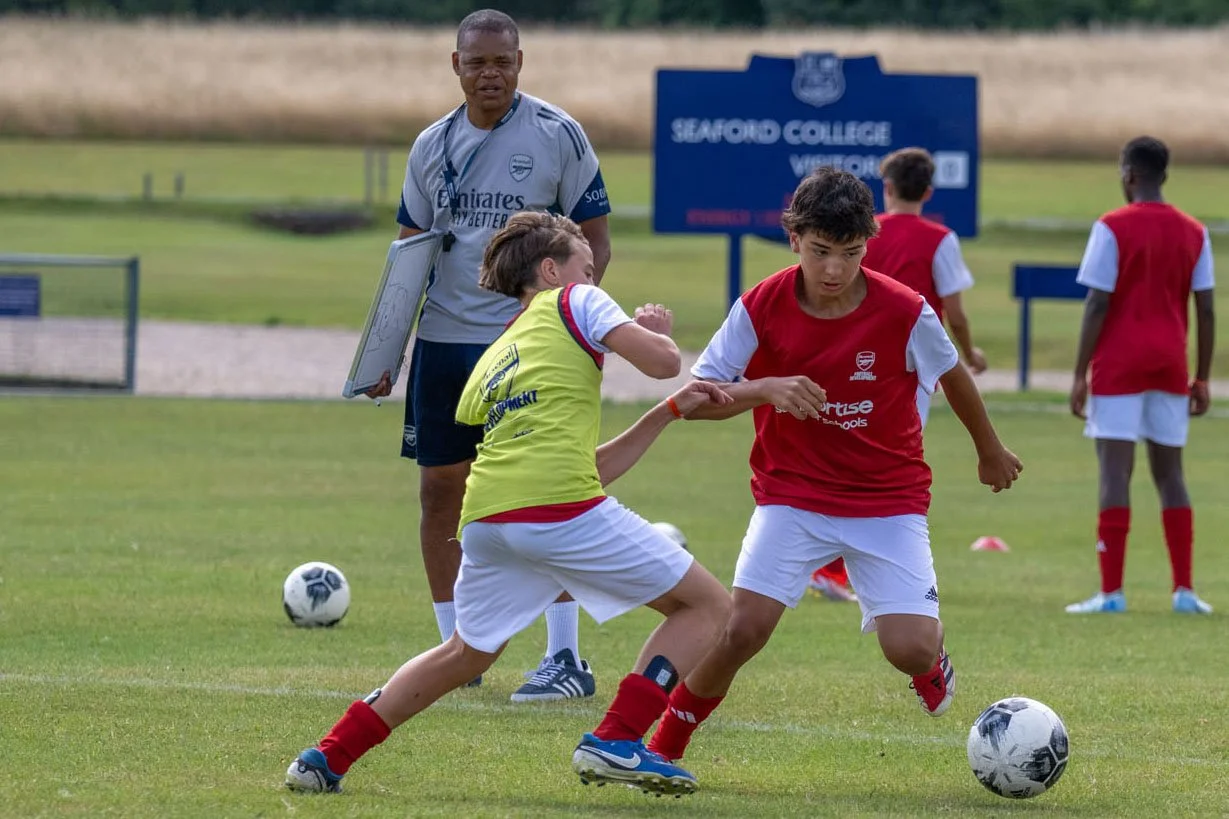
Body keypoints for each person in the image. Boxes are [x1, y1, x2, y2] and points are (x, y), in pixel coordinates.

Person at [287, 212, 732, 796]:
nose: (592, 281)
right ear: (552, 270)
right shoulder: (579, 300)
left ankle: (325, 758)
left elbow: (590, 467)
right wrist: (653, 328)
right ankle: (617, 739)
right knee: (707, 607)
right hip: (555, 509)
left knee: (464, 654)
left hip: (490, 519)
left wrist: (667, 414)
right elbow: (663, 363)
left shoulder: (502, 350)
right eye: (586, 268)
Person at [641, 167, 1023, 766]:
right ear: (794, 239)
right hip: (791, 496)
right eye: (820, 252)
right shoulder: (759, 307)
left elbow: (952, 374)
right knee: (741, 631)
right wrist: (765, 388)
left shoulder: (905, 310)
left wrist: (989, 450)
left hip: (887, 499)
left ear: (868, 242)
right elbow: (698, 399)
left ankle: (933, 660)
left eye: (850, 253)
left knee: (909, 648)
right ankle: (665, 743)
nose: (834, 270)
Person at [365, 9, 613, 700]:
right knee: (439, 489)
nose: (490, 73)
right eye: (476, 62)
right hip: (445, 340)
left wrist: (570, 320)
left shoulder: (558, 135)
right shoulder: (430, 145)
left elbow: (594, 240)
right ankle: (459, 651)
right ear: (455, 66)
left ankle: (565, 658)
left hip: (527, 342)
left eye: (501, 61)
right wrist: (386, 349)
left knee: (545, 492)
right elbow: (410, 255)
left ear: (520, 62)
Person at [807, 147, 987, 605]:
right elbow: (957, 313)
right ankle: (841, 568)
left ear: (886, 188)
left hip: (847, 358)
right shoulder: (939, 238)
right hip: (906, 368)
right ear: (927, 191)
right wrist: (969, 352)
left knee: (845, 452)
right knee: (887, 463)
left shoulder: (865, 233)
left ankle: (837, 566)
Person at [1066, 135, 1216, 616]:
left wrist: (1078, 374)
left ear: (1129, 173)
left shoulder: (1111, 226)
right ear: (1162, 175)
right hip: (1171, 364)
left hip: (1119, 366)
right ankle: (1185, 591)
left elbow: (1097, 302)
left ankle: (1111, 594)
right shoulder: (1195, 231)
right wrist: (1204, 376)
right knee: (1171, 474)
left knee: (1116, 472)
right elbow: (1207, 308)